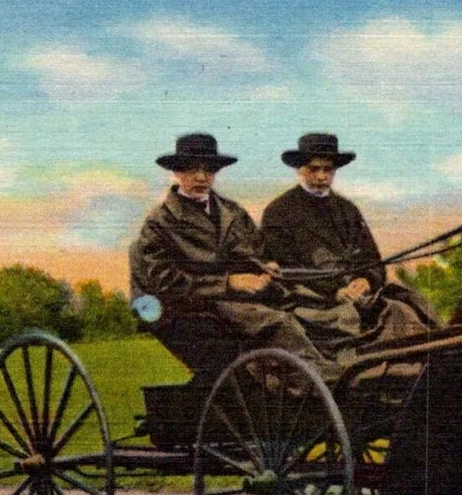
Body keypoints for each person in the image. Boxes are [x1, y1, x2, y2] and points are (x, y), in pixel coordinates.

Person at [128, 132, 341, 384]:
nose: (201, 177)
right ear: (177, 172)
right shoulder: (160, 222)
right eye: (192, 170)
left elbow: (255, 251)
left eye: (208, 170)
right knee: (270, 325)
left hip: (229, 303)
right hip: (177, 311)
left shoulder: (232, 212)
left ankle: (306, 380)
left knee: (303, 310)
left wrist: (265, 267)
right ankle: (323, 378)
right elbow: (165, 283)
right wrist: (230, 282)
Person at [260, 133, 436, 351]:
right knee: (362, 317)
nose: (322, 176)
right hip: (311, 299)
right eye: (314, 169)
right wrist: (336, 291)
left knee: (409, 306)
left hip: (358, 295)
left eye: (328, 170)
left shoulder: (347, 210)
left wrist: (366, 280)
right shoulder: (279, 212)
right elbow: (288, 268)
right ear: (300, 169)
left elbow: (372, 259)